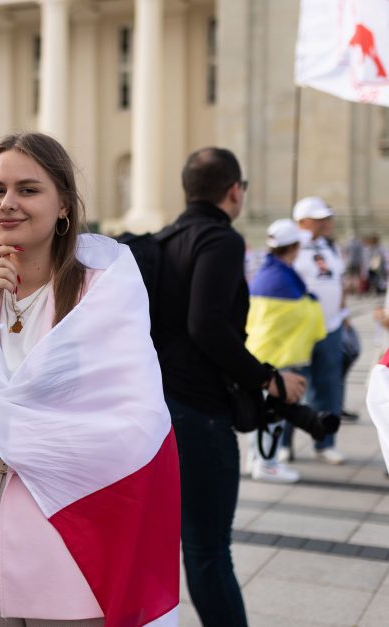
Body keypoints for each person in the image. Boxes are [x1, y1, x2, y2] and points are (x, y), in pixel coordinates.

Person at [0, 132, 180, 627]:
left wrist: (4, 427)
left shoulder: (103, 294)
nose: (8, 204)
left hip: (66, 529)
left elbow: (133, 425)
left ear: (63, 204)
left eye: (28, 189)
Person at [153, 147, 305, 627]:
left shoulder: (161, 240)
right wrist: (269, 378)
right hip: (201, 413)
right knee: (209, 550)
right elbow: (208, 326)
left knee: (192, 545)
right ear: (234, 190)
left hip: (160, 409)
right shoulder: (220, 240)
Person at [245, 219, 326, 483]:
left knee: (262, 409)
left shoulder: (267, 272)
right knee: (273, 412)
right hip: (277, 356)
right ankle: (268, 464)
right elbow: (305, 315)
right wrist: (312, 304)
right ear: (293, 248)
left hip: (260, 352)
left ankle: (257, 458)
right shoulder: (281, 278)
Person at [281, 196, 347, 464]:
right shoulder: (292, 246)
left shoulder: (330, 246)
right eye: (320, 219)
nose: (327, 222)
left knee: (330, 386)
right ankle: (284, 442)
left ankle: (325, 441)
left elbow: (338, 279)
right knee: (292, 386)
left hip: (330, 327)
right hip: (300, 331)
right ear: (303, 221)